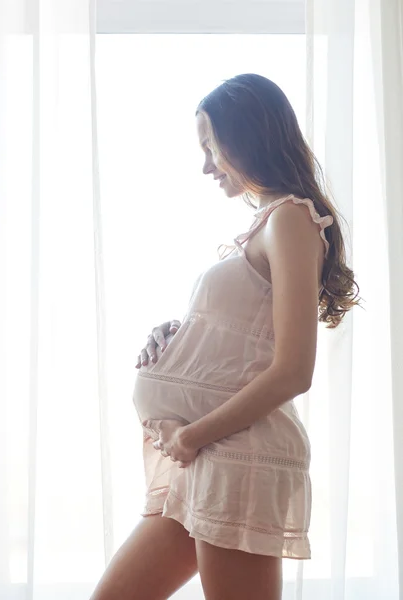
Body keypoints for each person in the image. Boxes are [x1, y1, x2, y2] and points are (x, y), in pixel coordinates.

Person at [90, 73, 359, 600]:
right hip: (213, 457)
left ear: (247, 137)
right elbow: (248, 338)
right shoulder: (265, 224)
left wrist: (190, 436)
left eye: (211, 146)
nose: (207, 166)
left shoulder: (291, 221)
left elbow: (293, 370)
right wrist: (179, 335)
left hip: (235, 454)